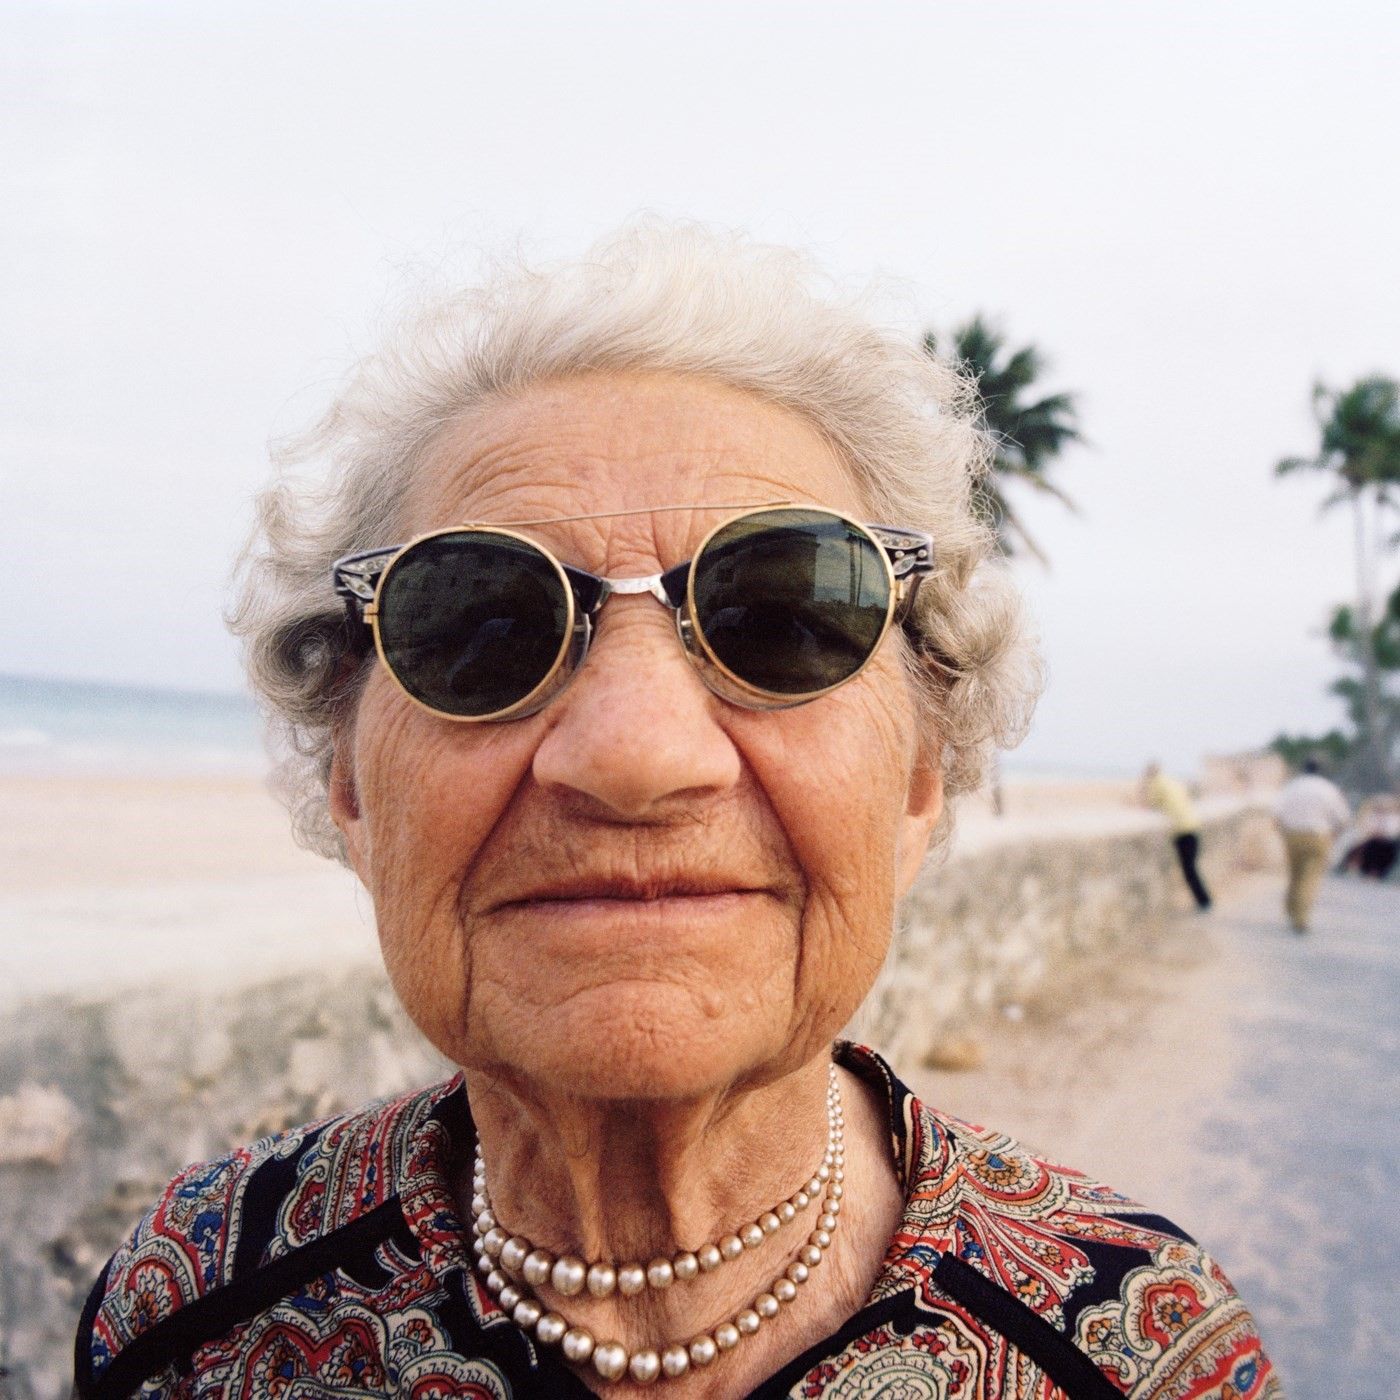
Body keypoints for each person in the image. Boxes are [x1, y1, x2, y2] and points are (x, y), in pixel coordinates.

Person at [74, 226, 1278, 1398]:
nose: (634, 755)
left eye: (784, 621)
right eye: (482, 624)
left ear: (918, 781)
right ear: (351, 787)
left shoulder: (1133, 1354)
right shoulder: (192, 1325)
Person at [1273, 758, 1351, 932]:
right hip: (1319, 836)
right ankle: (1301, 917)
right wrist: (1335, 833)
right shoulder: (1327, 789)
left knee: (1295, 874)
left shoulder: (1292, 787)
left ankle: (1291, 909)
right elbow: (1342, 817)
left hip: (1292, 835)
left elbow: (1276, 812)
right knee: (1310, 877)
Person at [1140, 762, 1212, 910]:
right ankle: (1204, 900)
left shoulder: (1156, 784)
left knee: (1189, 870)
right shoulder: (1172, 781)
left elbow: (1151, 805)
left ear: (1149, 774)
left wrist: (1144, 788)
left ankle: (1204, 902)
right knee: (1191, 868)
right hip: (1192, 826)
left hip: (1182, 830)